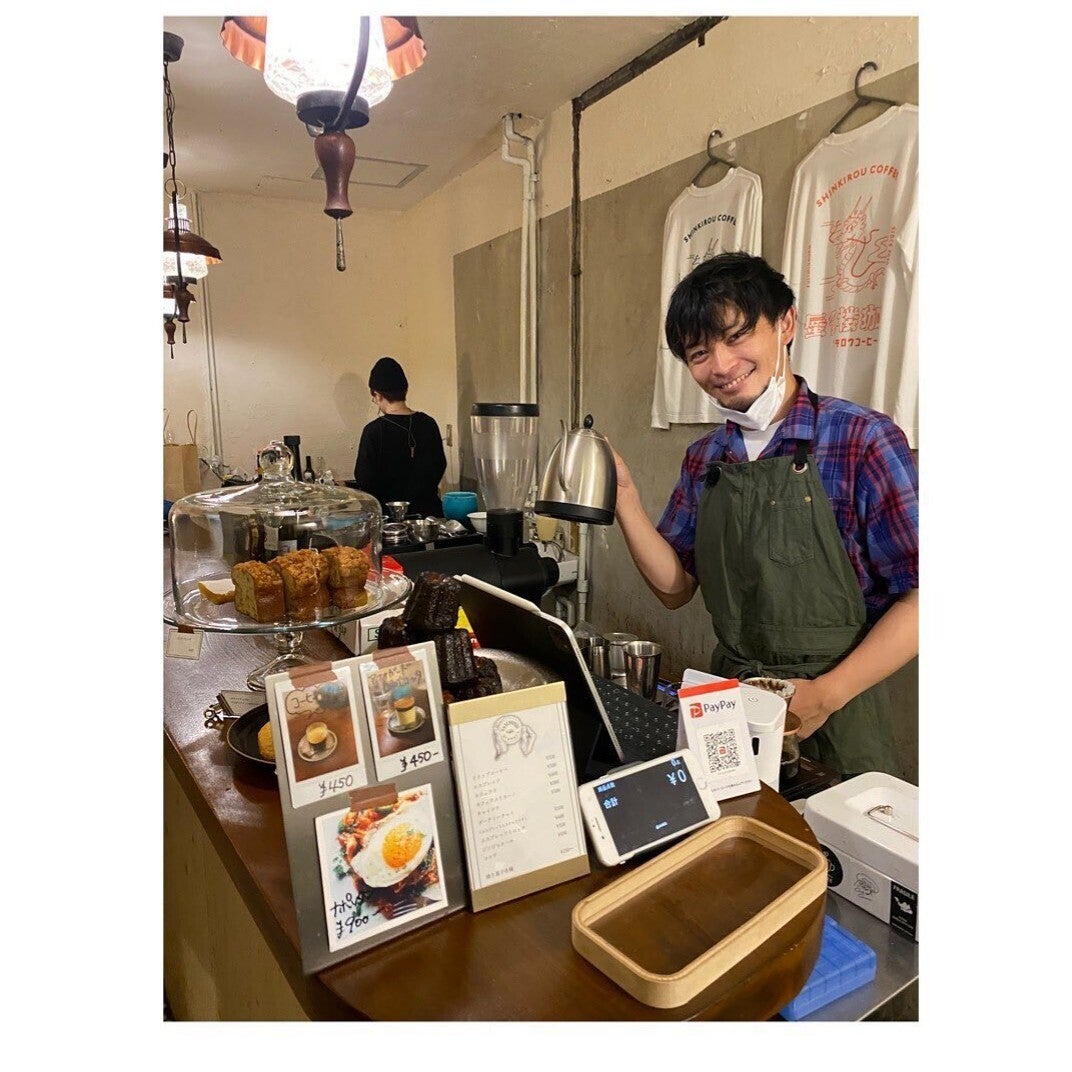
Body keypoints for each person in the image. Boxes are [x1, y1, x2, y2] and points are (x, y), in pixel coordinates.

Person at [614, 252, 918, 779]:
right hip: (731, 702)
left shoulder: (861, 439)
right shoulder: (707, 457)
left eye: (737, 337)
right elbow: (676, 588)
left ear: (785, 324)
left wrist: (825, 695)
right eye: (699, 352)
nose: (720, 365)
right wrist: (625, 499)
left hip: (837, 707)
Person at [354, 356, 447, 517]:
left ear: (377, 395)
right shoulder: (428, 423)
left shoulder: (373, 431)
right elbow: (440, 465)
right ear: (405, 390)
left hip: (389, 519)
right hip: (429, 516)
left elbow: (364, 479)